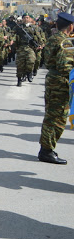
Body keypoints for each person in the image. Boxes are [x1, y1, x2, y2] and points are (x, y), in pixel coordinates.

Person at [37, 12, 74, 164]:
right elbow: (65, 66)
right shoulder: (65, 42)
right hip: (60, 83)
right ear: (71, 26)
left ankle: (46, 149)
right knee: (57, 118)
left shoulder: (53, 39)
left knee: (51, 116)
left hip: (53, 79)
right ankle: (46, 151)